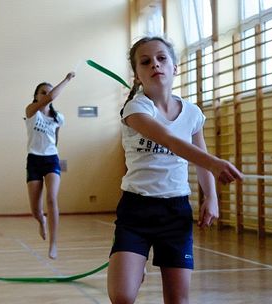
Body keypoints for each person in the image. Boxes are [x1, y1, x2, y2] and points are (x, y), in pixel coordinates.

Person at [107, 36, 243, 304]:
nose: (154, 65)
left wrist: (211, 198)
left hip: (175, 211)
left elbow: (200, 157)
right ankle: (136, 264)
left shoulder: (192, 113)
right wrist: (216, 164)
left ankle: (137, 265)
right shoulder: (135, 109)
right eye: (145, 62)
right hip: (137, 209)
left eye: (161, 58)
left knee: (178, 300)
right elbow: (169, 140)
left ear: (175, 67)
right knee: (122, 297)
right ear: (137, 75)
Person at [25, 71, 75, 259]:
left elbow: (56, 138)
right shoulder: (31, 112)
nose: (47, 95)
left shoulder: (58, 117)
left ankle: (53, 244)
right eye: (42, 92)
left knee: (52, 199)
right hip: (34, 160)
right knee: (35, 210)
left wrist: (53, 152)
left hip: (51, 159)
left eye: (48, 92)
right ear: (36, 96)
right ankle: (41, 221)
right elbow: (52, 96)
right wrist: (68, 79)